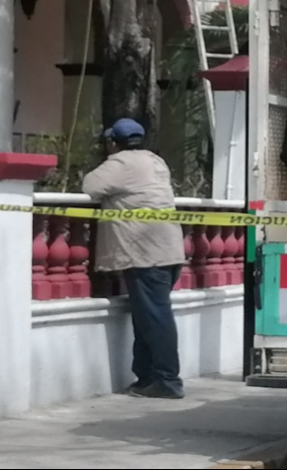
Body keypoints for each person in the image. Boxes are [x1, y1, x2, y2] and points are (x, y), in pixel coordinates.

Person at [82, 118, 185, 400]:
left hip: (144, 254)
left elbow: (89, 186)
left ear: (115, 142)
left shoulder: (120, 164)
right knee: (147, 318)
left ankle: (167, 380)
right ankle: (147, 377)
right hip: (168, 250)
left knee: (155, 318)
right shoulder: (155, 160)